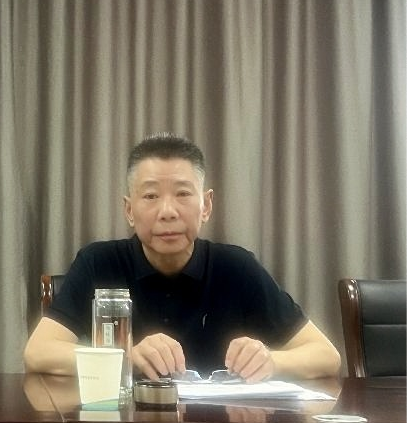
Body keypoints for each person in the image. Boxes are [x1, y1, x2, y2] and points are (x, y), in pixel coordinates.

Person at [24, 133, 341, 383]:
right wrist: (125, 357)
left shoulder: (237, 268)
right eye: (151, 196)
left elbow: (326, 356)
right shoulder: (99, 262)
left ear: (206, 205)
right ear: (129, 210)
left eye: (183, 194)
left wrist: (271, 361)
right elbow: (38, 352)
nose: (167, 212)